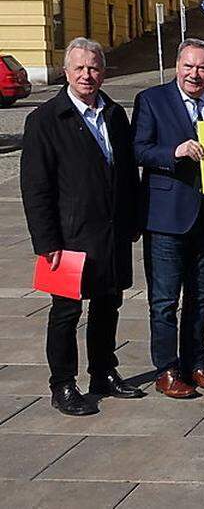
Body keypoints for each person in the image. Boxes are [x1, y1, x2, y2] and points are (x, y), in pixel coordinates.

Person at [21, 38, 146, 416]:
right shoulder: (44, 119)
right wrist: (46, 242)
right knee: (65, 312)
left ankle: (103, 372)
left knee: (109, 303)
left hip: (111, 231)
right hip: (69, 236)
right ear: (66, 72)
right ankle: (62, 384)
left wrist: (133, 219)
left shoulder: (113, 113)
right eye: (79, 69)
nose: (87, 75)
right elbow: (35, 187)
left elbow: (127, 172)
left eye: (93, 68)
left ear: (103, 72)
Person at [131, 38, 204, 399]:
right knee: (164, 300)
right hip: (166, 218)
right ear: (178, 66)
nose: (196, 74)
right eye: (189, 67)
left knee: (202, 295)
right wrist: (174, 152)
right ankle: (167, 369)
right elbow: (139, 149)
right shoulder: (152, 100)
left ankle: (196, 362)